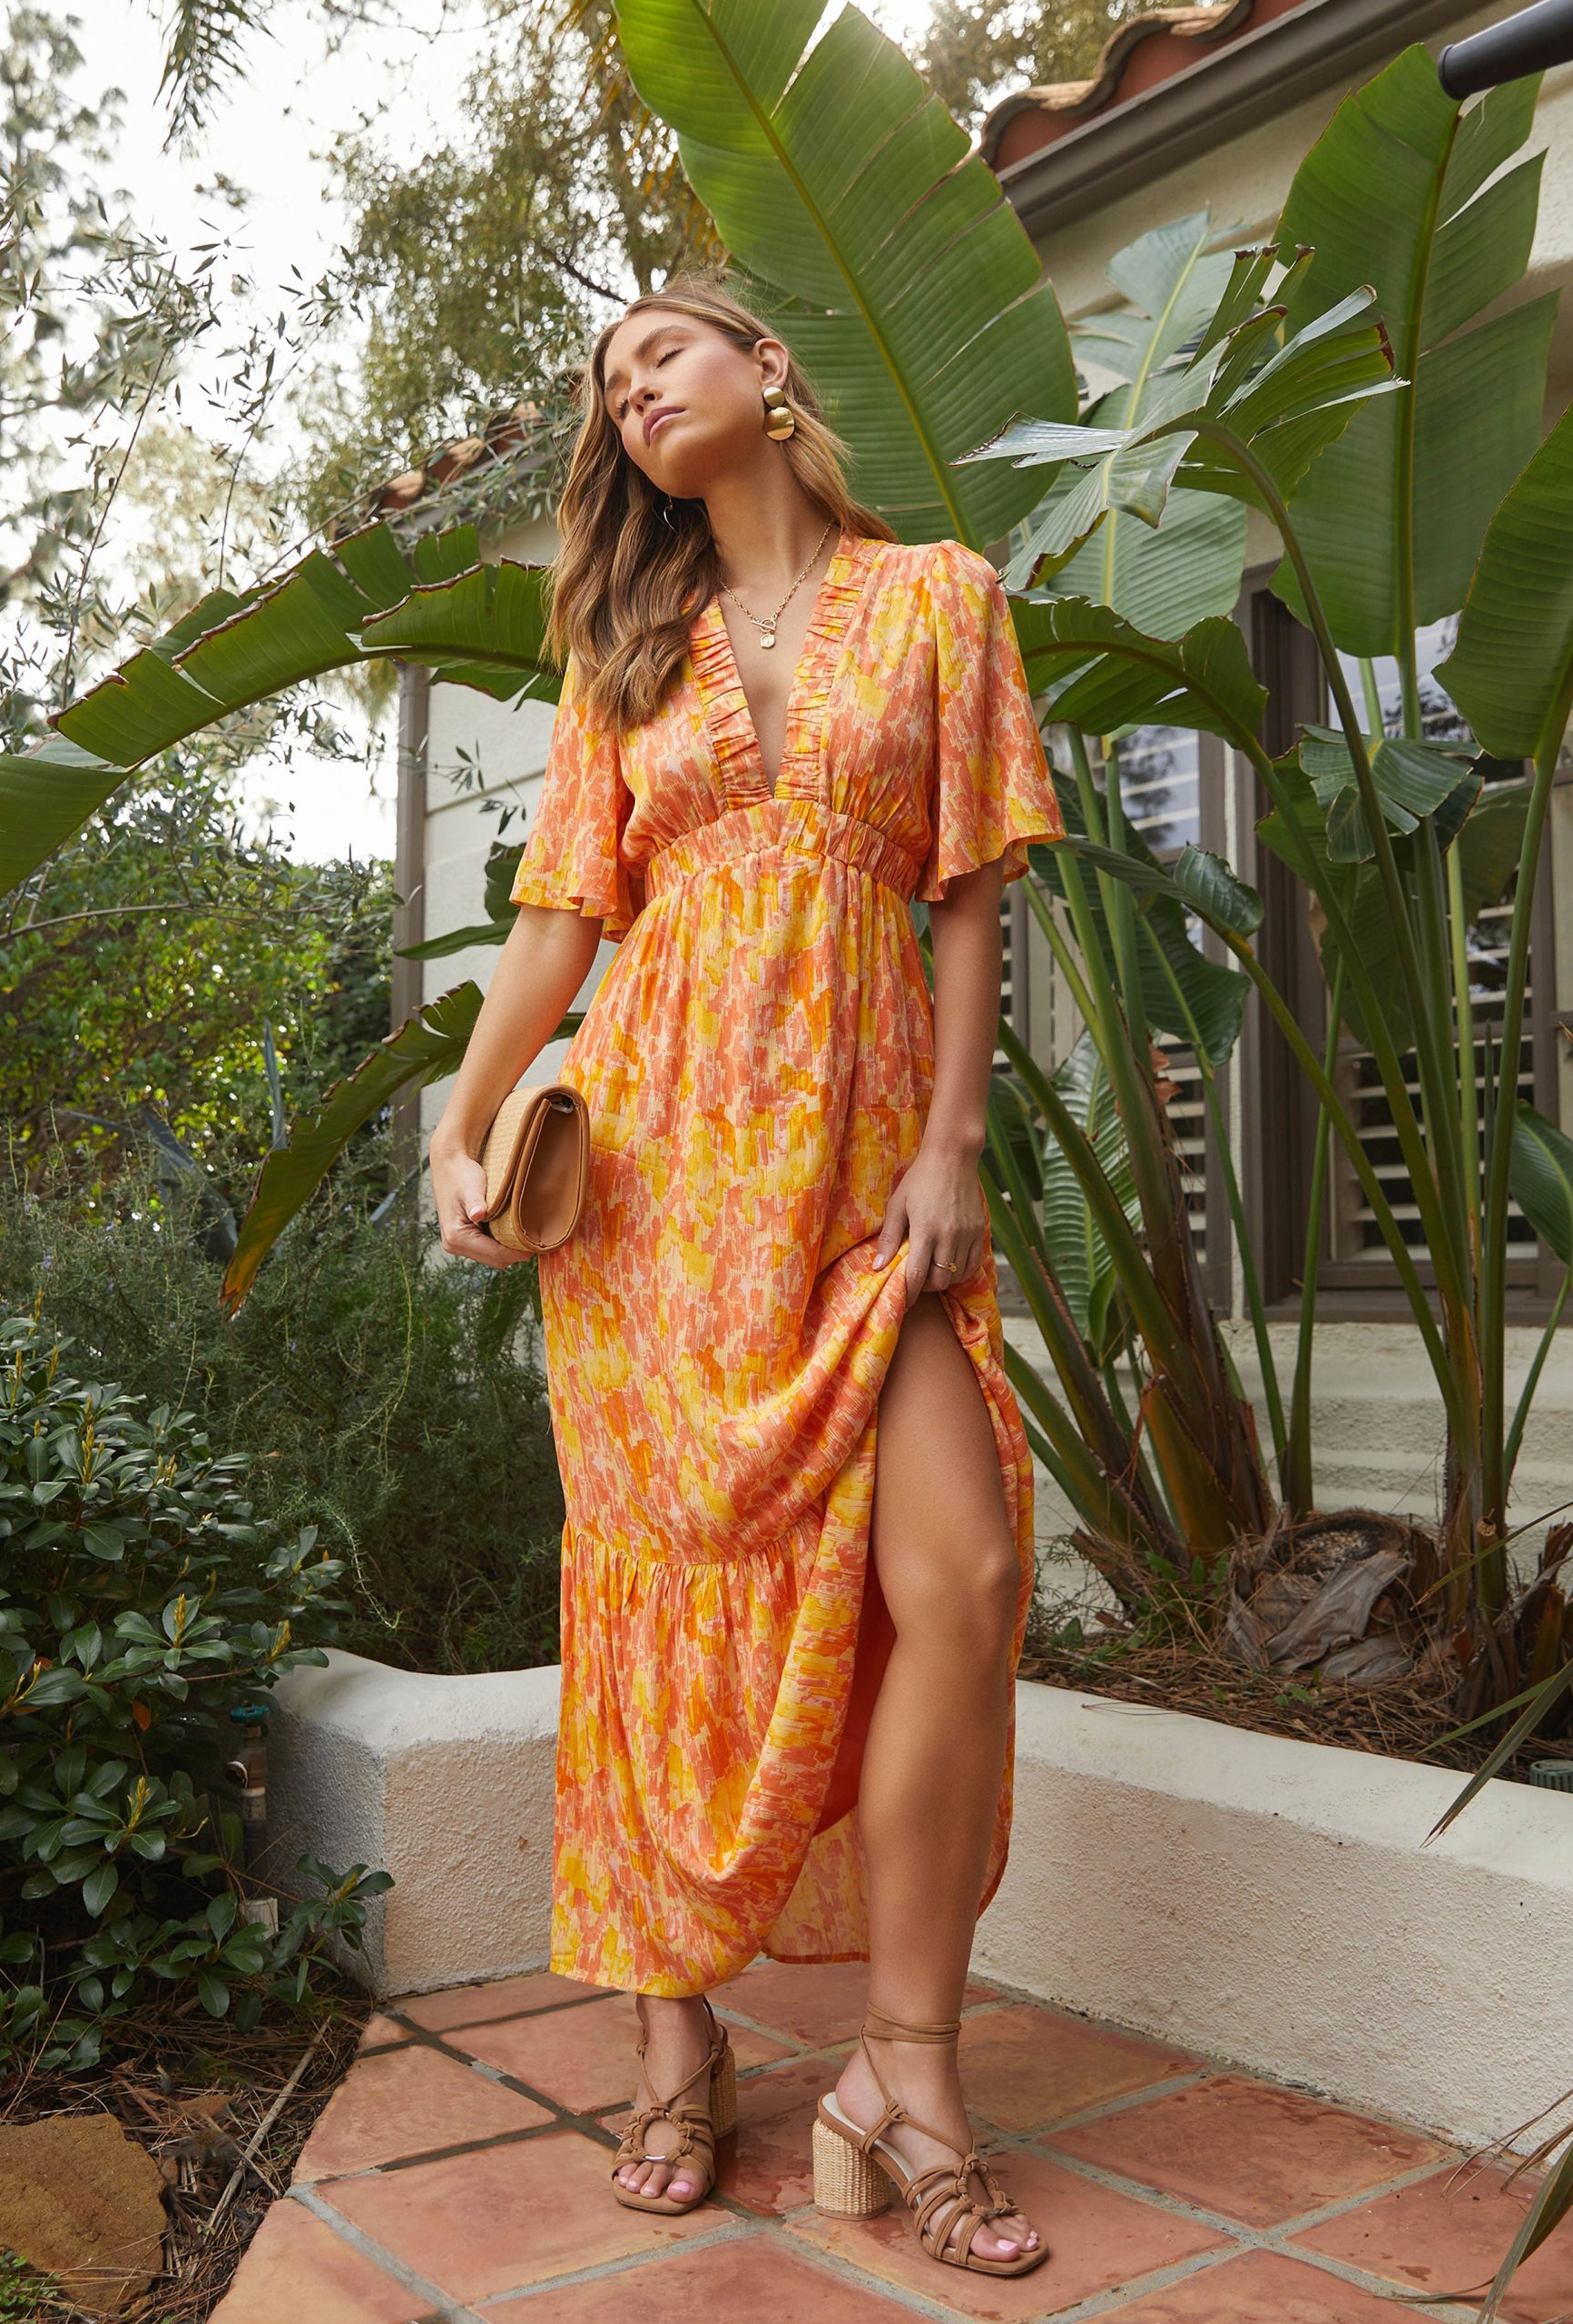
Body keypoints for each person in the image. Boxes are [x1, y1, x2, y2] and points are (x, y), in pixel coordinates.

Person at [427, 271, 1066, 2282]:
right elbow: (559, 920)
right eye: (609, 389)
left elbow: (968, 898)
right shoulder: (627, 653)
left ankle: (905, 2069)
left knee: (963, 1575)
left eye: (661, 354)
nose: (632, 394)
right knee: (659, 1597)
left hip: (868, 1181)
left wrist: (953, 1145)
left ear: (765, 366)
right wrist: (463, 1117)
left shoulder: (940, 598)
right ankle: (673, 2036)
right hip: (655, 1194)